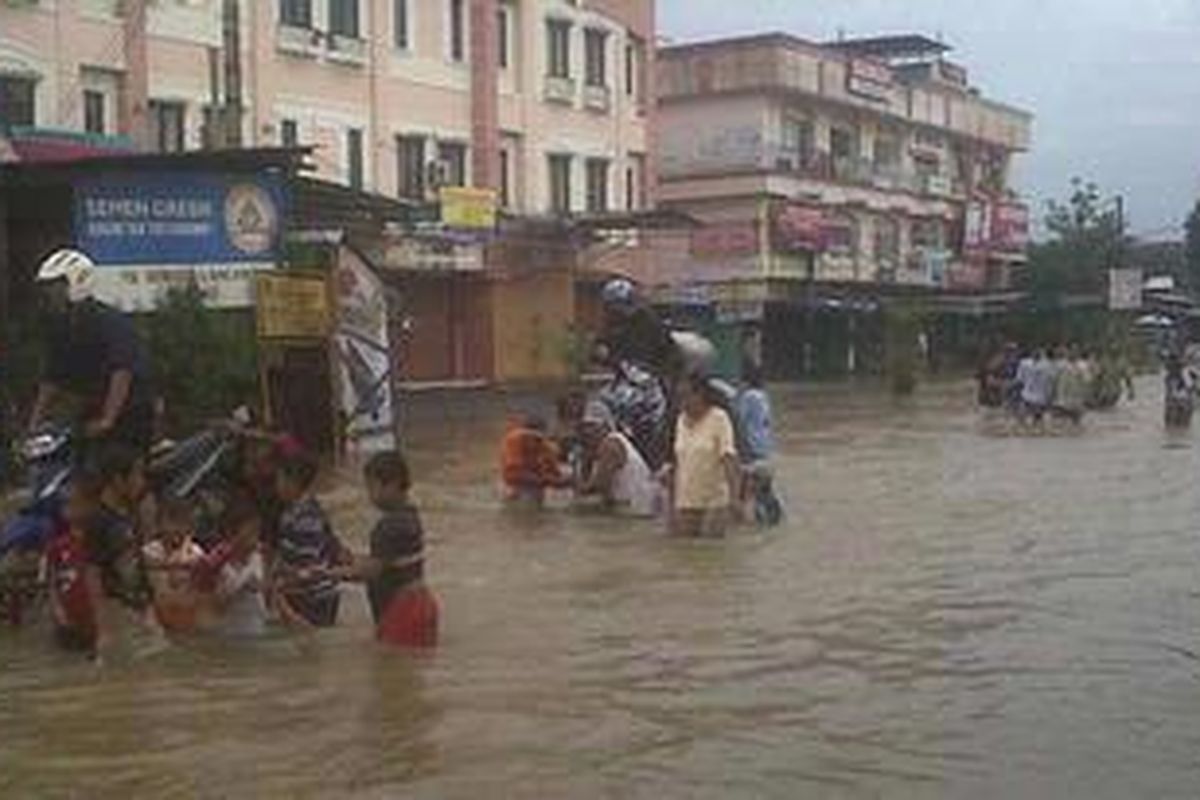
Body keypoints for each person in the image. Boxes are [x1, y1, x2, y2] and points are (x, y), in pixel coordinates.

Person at [27, 249, 154, 452]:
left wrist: (108, 419)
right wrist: (34, 424)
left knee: (111, 468)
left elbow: (122, 371)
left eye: (56, 287)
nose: (50, 294)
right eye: (48, 288)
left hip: (132, 409)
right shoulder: (60, 326)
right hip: (92, 408)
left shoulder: (109, 322)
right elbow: (52, 377)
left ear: (77, 283)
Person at [337, 451, 439, 648]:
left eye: (371, 487)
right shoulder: (410, 515)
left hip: (402, 610)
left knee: (392, 670)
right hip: (422, 604)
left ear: (391, 485)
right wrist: (354, 560)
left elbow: (372, 571)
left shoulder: (387, 526)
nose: (369, 496)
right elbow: (391, 562)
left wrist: (330, 574)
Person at [79, 444, 165, 664]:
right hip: (118, 611)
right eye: (136, 475)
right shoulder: (98, 520)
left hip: (140, 606)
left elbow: (134, 560)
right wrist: (103, 628)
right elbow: (92, 574)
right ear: (118, 479)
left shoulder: (128, 514)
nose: (141, 481)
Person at [272, 452, 347, 629]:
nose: (276, 486)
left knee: (307, 645)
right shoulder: (311, 508)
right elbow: (332, 546)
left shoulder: (302, 517)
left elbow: (307, 563)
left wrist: (281, 585)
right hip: (321, 592)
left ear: (293, 482)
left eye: (279, 479)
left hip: (310, 595)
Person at [668, 374, 742, 538]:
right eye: (679, 397)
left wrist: (735, 498)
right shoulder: (680, 421)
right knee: (687, 553)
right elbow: (676, 464)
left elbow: (728, 458)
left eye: (685, 396)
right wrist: (671, 505)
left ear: (700, 395)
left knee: (710, 552)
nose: (682, 402)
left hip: (714, 500)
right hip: (685, 500)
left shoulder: (719, 418)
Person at [41, 477, 103, 655]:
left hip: (94, 619)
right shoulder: (56, 545)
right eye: (67, 504)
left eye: (77, 503)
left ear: (89, 505)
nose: (72, 509)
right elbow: (51, 582)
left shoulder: (98, 540)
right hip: (68, 618)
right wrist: (57, 611)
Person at [575, 402, 661, 518]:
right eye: (585, 427)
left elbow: (599, 486)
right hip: (638, 508)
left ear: (606, 426)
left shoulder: (610, 444)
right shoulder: (610, 443)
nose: (587, 432)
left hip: (635, 510)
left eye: (593, 427)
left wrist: (575, 484)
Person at [594, 278, 682, 379]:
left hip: (650, 376)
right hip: (622, 375)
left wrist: (655, 369)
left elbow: (664, 350)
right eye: (611, 305)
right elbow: (601, 345)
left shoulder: (648, 320)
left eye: (617, 304)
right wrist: (601, 350)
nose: (614, 309)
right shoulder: (612, 322)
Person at [142, 498, 205, 634]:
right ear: (159, 525)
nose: (176, 528)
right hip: (157, 616)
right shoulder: (150, 550)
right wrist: (181, 561)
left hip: (187, 614)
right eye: (171, 522)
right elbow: (169, 578)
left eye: (182, 523)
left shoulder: (196, 551)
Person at [735, 362, 784, 527]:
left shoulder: (748, 397)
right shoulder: (763, 396)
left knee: (746, 493)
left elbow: (739, 422)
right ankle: (774, 520)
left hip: (751, 451)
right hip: (765, 450)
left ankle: (750, 524)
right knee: (764, 491)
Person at [212, 507, 269, 638]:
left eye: (257, 533)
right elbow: (218, 606)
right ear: (232, 535)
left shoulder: (257, 558)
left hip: (257, 627)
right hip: (232, 632)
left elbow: (265, 588)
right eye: (251, 533)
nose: (256, 538)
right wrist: (241, 588)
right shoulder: (223, 567)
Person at [500, 413, 572, 506]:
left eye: (537, 438)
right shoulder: (514, 441)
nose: (533, 441)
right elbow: (514, 475)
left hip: (536, 487)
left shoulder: (546, 446)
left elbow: (554, 471)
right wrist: (551, 481)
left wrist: (564, 481)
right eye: (529, 437)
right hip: (517, 486)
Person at [1053, 346, 1089, 427]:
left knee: (1073, 412)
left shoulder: (1064, 366)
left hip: (1073, 393)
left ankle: (1072, 426)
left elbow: (1086, 380)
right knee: (1071, 412)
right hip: (1070, 394)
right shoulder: (1065, 366)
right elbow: (1087, 380)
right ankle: (1073, 426)